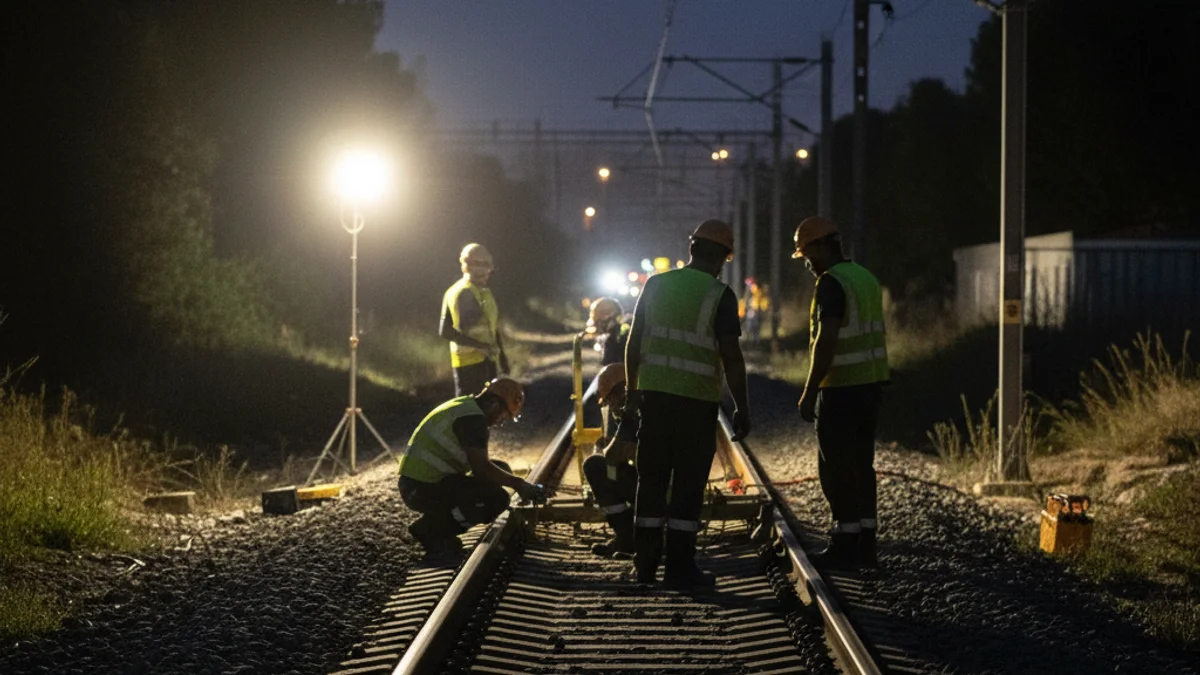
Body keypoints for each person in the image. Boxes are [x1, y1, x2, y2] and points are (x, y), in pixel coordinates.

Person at [624, 219, 752, 589]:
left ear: (691, 248)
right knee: (687, 487)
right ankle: (679, 568)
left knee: (650, 482)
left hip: (655, 400)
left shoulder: (656, 284)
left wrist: (633, 394)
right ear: (725, 258)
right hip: (696, 405)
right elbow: (732, 357)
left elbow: (634, 342)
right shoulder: (721, 296)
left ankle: (645, 565)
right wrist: (742, 407)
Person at [792, 217, 890, 568]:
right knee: (861, 465)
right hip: (871, 385)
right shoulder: (864, 277)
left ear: (821, 247)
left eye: (806, 253)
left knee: (834, 467)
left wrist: (810, 388)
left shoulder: (831, 283)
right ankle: (866, 544)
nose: (806, 261)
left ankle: (844, 541)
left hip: (841, 389)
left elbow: (827, 339)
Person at [398, 377, 546, 557]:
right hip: (421, 489)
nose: (501, 422)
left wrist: (511, 481)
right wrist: (520, 485)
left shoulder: (465, 406)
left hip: (422, 482)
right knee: (495, 500)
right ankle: (431, 530)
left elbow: (483, 468)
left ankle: (436, 523)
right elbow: (481, 469)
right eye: (504, 415)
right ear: (493, 403)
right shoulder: (473, 420)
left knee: (501, 469)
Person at [581, 363, 639, 558]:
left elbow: (613, 455)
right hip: (672, 486)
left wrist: (603, 451)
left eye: (610, 400)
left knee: (595, 466)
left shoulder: (632, 410)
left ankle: (626, 536)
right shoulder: (650, 399)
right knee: (611, 467)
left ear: (618, 392)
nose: (612, 406)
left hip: (657, 489)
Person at [440, 243, 509, 396]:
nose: (488, 272)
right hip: (469, 366)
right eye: (485, 267)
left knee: (488, 410)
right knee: (472, 411)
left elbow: (491, 327)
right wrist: (481, 346)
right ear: (471, 266)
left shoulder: (483, 292)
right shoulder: (463, 292)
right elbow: (445, 331)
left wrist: (502, 358)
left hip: (487, 361)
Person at [587, 297, 630, 366]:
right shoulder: (625, 328)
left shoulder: (612, 339)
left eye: (598, 320)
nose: (597, 324)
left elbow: (611, 369)